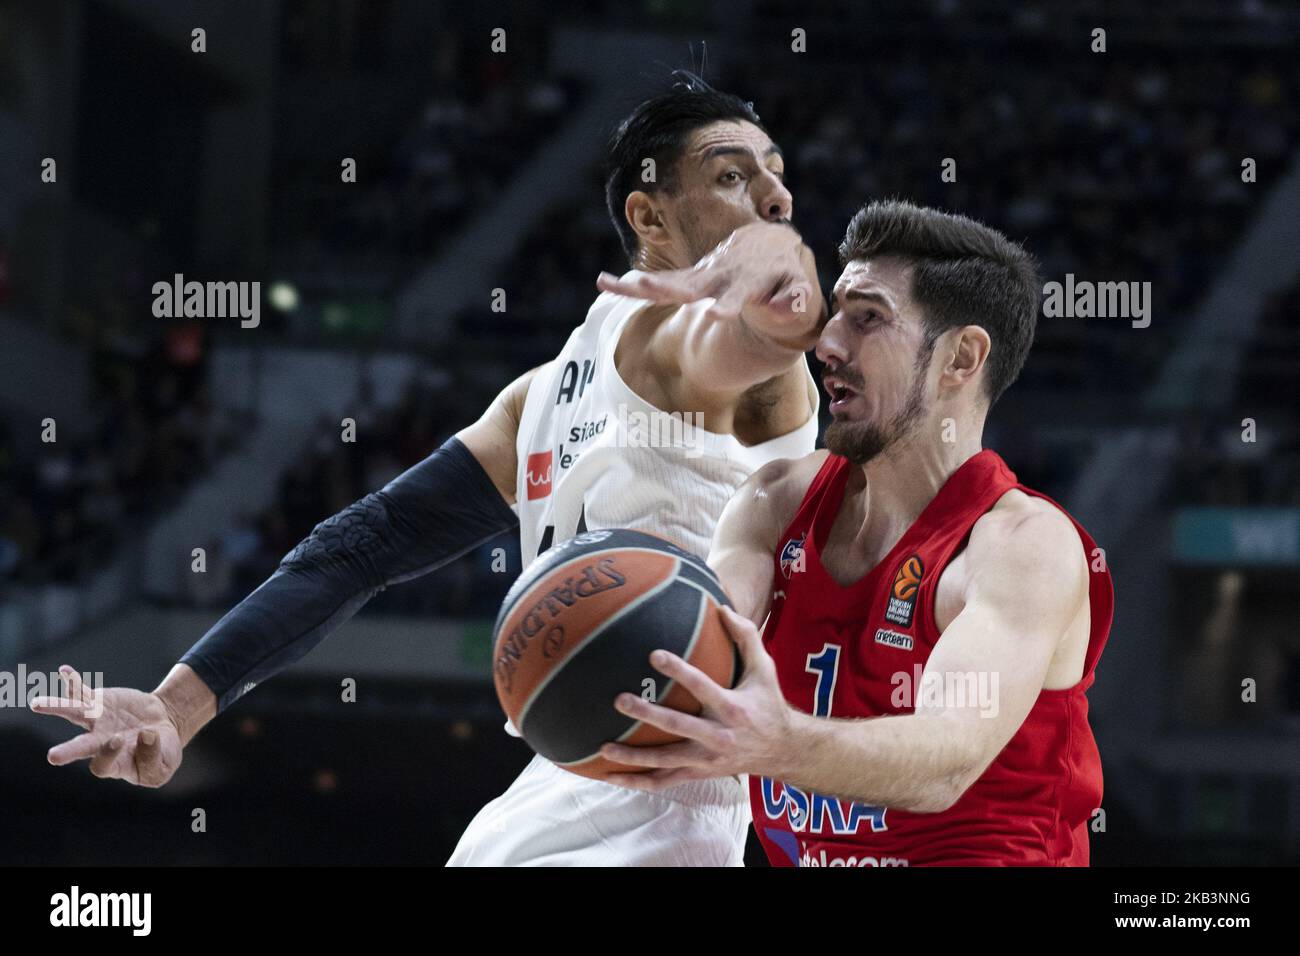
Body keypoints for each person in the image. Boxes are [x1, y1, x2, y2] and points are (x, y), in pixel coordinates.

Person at [32, 74, 823, 868]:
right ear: (648, 214)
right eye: (732, 175)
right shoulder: (571, 382)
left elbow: (777, 310)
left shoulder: (703, 355)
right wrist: (175, 704)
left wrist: (178, 706)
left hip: (605, 805)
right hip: (600, 808)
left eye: (778, 173)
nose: (775, 196)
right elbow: (366, 542)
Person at [598, 200, 1115, 866]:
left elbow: (945, 762)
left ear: (961, 357)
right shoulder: (775, 504)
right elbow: (687, 658)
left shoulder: (1022, 546)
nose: (828, 343)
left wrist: (779, 743)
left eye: (868, 318)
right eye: (835, 312)